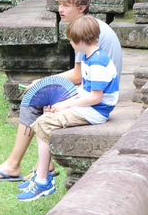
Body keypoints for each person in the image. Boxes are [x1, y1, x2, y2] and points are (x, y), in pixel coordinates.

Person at [0, 0, 122, 182]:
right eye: (59, 4)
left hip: (96, 97)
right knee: (41, 95)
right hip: (95, 89)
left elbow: (78, 76)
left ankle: (14, 164)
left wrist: (43, 82)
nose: (60, 10)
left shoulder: (85, 32)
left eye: (66, 5)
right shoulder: (88, 25)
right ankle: (43, 163)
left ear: (81, 8)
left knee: (34, 96)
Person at [17, 15, 119, 201]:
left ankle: (42, 181)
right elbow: (85, 90)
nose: (70, 44)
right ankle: (43, 173)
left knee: (44, 123)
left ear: (79, 41)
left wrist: (66, 104)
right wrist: (60, 104)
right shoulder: (92, 56)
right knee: (45, 119)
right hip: (89, 106)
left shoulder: (97, 63)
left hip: (95, 111)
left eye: (71, 40)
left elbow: (95, 97)